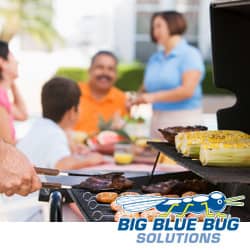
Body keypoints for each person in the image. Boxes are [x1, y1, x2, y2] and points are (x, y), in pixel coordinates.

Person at [131, 11, 205, 138]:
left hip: (184, 123)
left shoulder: (190, 54)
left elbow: (187, 91)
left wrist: (153, 97)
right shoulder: (155, 58)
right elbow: (145, 88)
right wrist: (135, 99)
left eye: (159, 26)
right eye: (153, 27)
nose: (155, 31)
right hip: (157, 121)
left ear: (173, 25)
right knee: (157, 157)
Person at [17, 77, 104, 170]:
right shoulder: (56, 135)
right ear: (71, 112)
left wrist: (70, 147)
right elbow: (63, 165)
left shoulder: (39, 126)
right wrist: (90, 160)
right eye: (79, 106)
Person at [74, 51, 127, 135]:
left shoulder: (122, 99)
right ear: (90, 70)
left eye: (111, 69)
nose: (105, 73)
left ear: (116, 74)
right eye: (100, 67)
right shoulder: (73, 92)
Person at [0, 40, 28, 144]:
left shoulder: (3, 96)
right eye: (12, 56)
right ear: (2, 62)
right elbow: (7, 144)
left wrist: (12, 82)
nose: (17, 62)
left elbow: (23, 115)